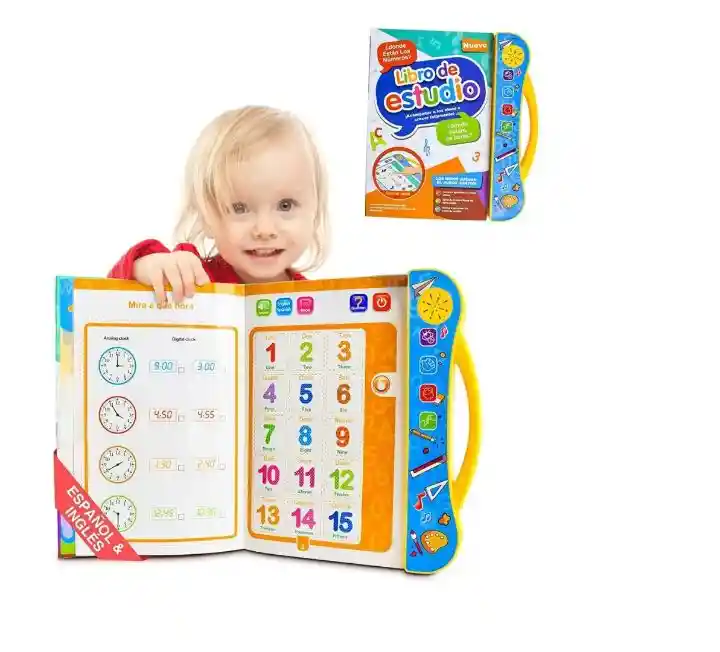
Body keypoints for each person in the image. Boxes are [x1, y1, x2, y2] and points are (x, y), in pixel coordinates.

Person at [108, 105, 329, 304]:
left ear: (315, 210)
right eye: (240, 208)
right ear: (206, 217)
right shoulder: (191, 279)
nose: (264, 230)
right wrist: (146, 269)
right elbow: (107, 300)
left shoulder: (316, 304)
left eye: (285, 205)